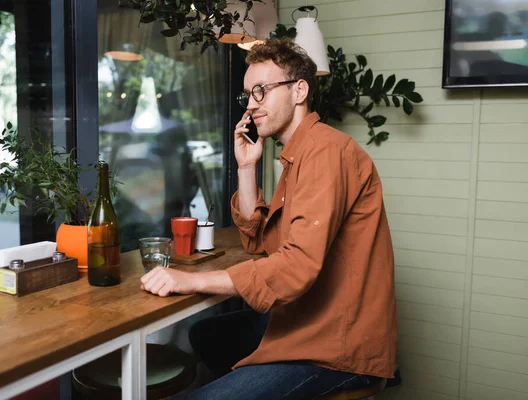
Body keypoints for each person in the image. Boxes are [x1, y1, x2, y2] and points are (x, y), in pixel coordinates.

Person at [140, 38, 397, 399]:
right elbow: (258, 241)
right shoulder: (297, 156)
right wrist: (247, 167)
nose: (252, 105)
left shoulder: (326, 152)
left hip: (336, 347)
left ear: (300, 90)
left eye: (261, 91)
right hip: (305, 319)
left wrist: (189, 280)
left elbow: (296, 266)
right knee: (206, 335)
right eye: (248, 94)